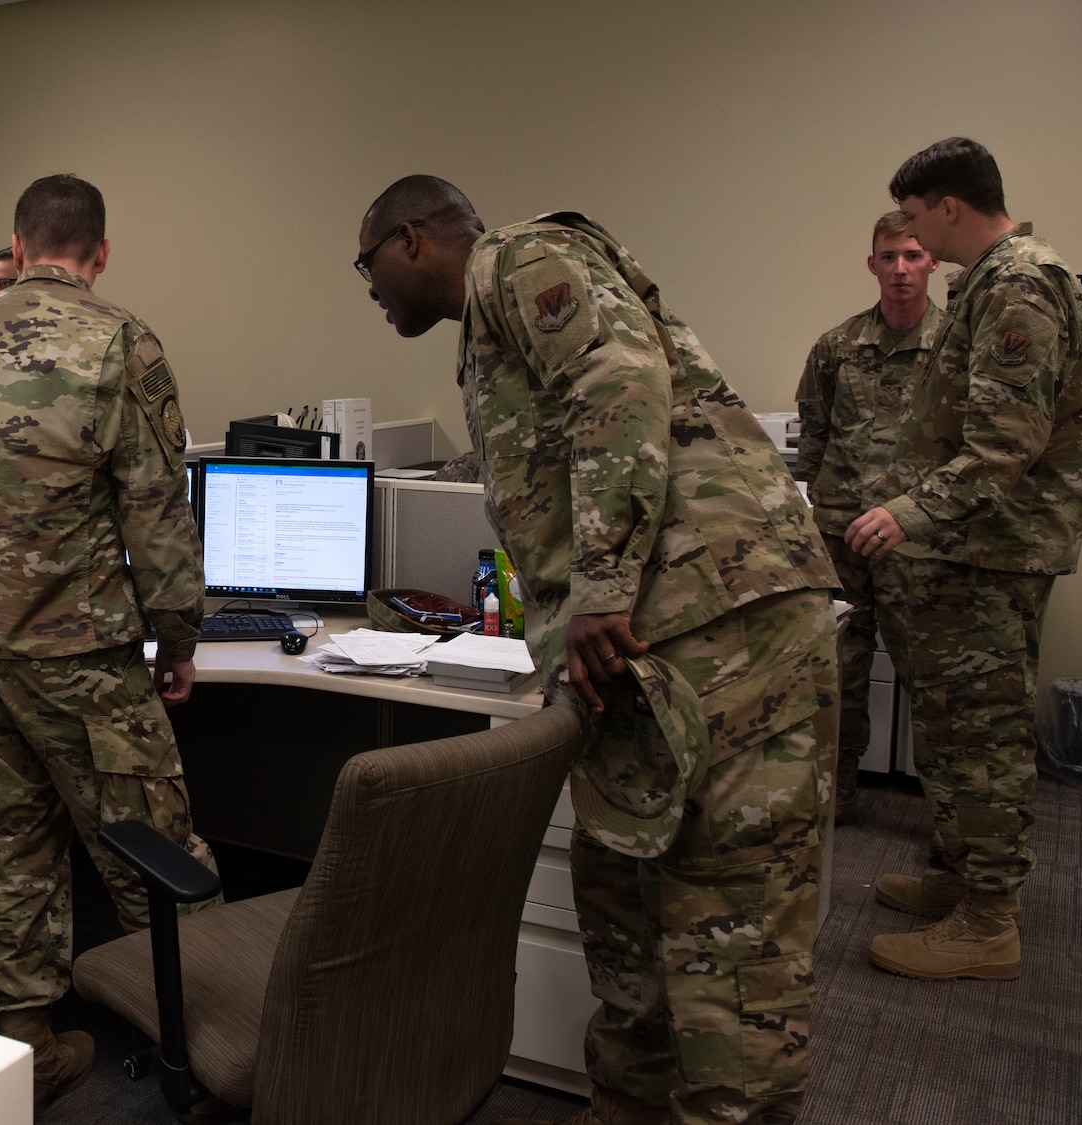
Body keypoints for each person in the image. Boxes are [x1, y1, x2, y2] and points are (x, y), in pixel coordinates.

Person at [355, 175, 838, 1125]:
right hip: (642, 646)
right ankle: (628, 1105)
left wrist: (603, 584)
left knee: (730, 914)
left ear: (411, 240)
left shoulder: (524, 259)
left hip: (721, 619)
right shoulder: (486, 334)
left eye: (365, 264)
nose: (367, 289)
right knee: (623, 886)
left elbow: (619, 385)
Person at [0, 174, 218, 1108]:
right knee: (148, 836)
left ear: (17, 239)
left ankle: (26, 1038)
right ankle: (199, 1037)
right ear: (100, 250)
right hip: (76, 647)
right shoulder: (120, 341)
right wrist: (178, 638)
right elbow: (156, 507)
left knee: (18, 833)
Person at [847, 138, 1082, 981]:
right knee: (952, 735)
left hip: (991, 552)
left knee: (983, 737)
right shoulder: (990, 282)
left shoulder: (1019, 282)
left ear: (947, 207)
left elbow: (1007, 441)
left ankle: (988, 920)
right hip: (967, 550)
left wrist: (908, 511)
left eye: (915, 219)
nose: (912, 236)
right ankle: (961, 880)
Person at [794, 213, 942, 825]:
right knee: (838, 671)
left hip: (920, 537)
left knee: (933, 678)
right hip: (841, 532)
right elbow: (815, 438)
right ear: (872, 264)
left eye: (912, 255)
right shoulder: (837, 346)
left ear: (932, 261)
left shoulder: (955, 346)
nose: (900, 269)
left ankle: (952, 824)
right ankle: (840, 793)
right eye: (888, 257)